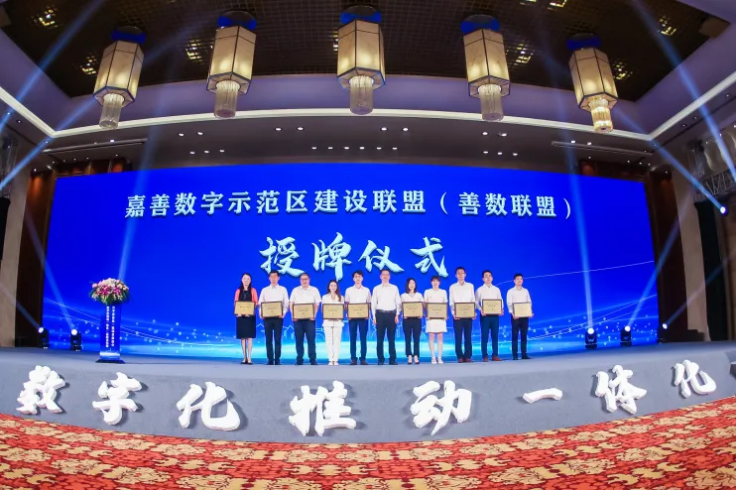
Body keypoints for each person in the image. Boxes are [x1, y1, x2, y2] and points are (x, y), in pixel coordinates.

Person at [371, 268, 402, 366]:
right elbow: (373, 303)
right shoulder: (376, 288)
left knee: (391, 338)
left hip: (392, 314)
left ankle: (392, 359)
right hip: (380, 314)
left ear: (389, 276)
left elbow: (398, 302)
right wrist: (374, 316)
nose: (385, 276)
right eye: (383, 274)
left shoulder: (394, 288)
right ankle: (380, 359)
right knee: (379, 338)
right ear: (380, 276)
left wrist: (397, 314)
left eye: (387, 274)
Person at [290, 273, 322, 365]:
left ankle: (312, 359)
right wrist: (293, 315)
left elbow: (317, 304)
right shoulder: (295, 290)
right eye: (302, 279)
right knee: (299, 340)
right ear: (300, 281)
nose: (304, 281)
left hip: (310, 319)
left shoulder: (314, 290)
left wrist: (314, 315)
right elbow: (291, 303)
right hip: (298, 320)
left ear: (309, 280)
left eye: (306, 279)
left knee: (311, 340)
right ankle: (299, 359)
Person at [259, 270, 289, 365]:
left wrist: (283, 313)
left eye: (275, 276)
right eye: (271, 276)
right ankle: (270, 359)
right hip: (267, 318)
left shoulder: (283, 289)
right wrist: (261, 313)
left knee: (277, 339)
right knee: (268, 339)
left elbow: (286, 303)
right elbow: (260, 303)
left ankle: (277, 359)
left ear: (278, 278)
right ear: (269, 278)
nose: (273, 278)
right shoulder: (264, 290)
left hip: (278, 317)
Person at [476, 270, 504, 362]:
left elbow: (500, 300)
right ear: (483, 278)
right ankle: (485, 356)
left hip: (495, 316)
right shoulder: (479, 290)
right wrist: (481, 309)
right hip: (485, 316)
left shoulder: (496, 289)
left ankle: (495, 355)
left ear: (492, 278)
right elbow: (475, 302)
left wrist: (501, 309)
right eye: (486, 276)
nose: (488, 278)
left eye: (489, 276)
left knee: (495, 335)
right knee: (484, 336)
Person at [449, 266, 476, 363]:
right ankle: (460, 356)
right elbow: (451, 302)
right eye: (458, 273)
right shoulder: (452, 287)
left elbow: (473, 300)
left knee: (468, 336)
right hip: (457, 316)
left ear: (465, 274)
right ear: (456, 275)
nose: (460, 275)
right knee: (458, 336)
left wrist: (473, 312)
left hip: (468, 315)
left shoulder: (470, 286)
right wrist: (453, 313)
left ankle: (468, 356)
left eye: (462, 273)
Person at [345, 270, 371, 366]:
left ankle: (363, 358)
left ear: (362, 278)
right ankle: (353, 359)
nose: (358, 278)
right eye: (356, 276)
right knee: (352, 337)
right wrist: (348, 313)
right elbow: (346, 304)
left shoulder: (366, 290)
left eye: (359, 276)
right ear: (353, 279)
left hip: (363, 318)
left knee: (363, 338)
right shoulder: (348, 290)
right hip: (352, 318)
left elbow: (369, 303)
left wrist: (367, 313)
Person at [507, 273, 533, 360]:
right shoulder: (510, 291)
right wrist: (512, 313)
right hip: (515, 316)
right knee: (515, 335)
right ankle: (515, 355)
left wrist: (530, 312)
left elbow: (529, 302)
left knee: (524, 335)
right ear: (514, 281)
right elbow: (509, 304)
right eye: (517, 279)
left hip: (525, 316)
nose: (519, 280)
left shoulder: (526, 291)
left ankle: (524, 354)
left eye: (521, 279)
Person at [234, 273, 259, 365]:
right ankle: (244, 357)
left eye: (248, 279)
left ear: (250, 280)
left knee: (249, 337)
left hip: (250, 316)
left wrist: (250, 311)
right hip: (241, 316)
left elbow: (256, 302)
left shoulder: (253, 290)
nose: (246, 280)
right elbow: (236, 303)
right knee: (243, 337)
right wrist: (238, 312)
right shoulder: (238, 291)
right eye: (244, 278)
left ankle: (249, 358)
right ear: (241, 280)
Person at [424, 275, 448, 364]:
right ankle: (433, 357)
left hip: (440, 317)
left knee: (440, 337)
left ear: (439, 282)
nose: (435, 282)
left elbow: (445, 304)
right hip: (431, 317)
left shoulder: (443, 292)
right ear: (431, 282)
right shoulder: (427, 292)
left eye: (437, 281)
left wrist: (445, 314)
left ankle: (440, 357)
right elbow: (425, 304)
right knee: (431, 336)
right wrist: (428, 313)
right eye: (433, 281)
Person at [401, 278, 424, 365]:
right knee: (407, 338)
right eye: (410, 283)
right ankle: (409, 355)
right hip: (407, 319)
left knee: (416, 338)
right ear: (407, 285)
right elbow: (400, 307)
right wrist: (403, 314)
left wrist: (421, 313)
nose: (411, 285)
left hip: (417, 319)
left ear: (415, 285)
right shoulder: (403, 296)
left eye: (413, 283)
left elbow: (422, 306)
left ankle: (416, 355)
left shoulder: (419, 295)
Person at [323, 280, 345, 366]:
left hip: (338, 322)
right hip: (327, 322)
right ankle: (330, 359)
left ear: (337, 287)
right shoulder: (325, 297)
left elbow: (342, 309)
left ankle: (335, 359)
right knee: (328, 340)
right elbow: (323, 309)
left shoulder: (341, 297)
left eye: (334, 285)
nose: (333, 287)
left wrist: (338, 315)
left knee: (337, 341)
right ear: (329, 287)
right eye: (331, 285)